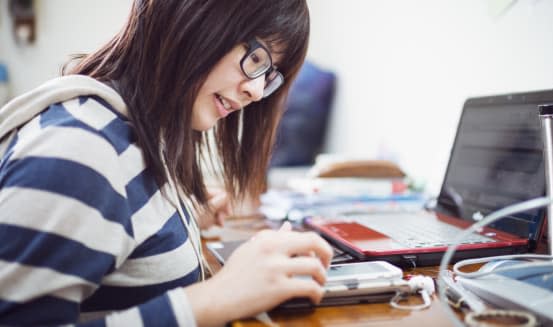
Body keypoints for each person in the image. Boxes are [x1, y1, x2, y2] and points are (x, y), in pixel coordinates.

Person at [0, 0, 333, 326]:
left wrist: (169, 223)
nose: (258, 91)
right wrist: (220, 295)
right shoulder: (78, 154)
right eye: (256, 58)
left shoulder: (130, 132)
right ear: (191, 15)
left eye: (270, 73)